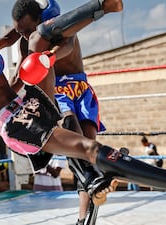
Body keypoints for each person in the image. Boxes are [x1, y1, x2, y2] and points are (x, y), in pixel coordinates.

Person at [0, 2, 166, 210]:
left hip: (28, 104)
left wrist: (26, 24)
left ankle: (95, 175)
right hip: (16, 123)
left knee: (40, 41)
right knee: (90, 148)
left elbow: (18, 38)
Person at [9, 1, 113, 222]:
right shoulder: (24, 43)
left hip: (80, 88)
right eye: (21, 32)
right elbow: (20, 76)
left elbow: (68, 45)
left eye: (28, 30)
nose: (26, 36)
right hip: (57, 91)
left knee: (88, 149)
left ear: (41, 20)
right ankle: (93, 189)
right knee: (70, 130)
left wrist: (49, 57)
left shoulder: (60, 28)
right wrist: (4, 100)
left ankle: (85, 216)